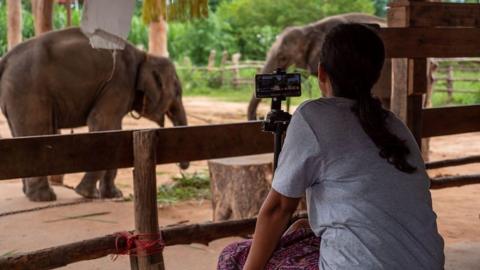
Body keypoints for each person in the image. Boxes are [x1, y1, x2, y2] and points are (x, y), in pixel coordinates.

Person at [217, 23, 445, 270]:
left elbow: (278, 209)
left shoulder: (313, 116)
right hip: (427, 263)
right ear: (376, 75)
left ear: (321, 73)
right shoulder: (395, 125)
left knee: (235, 254)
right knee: (301, 228)